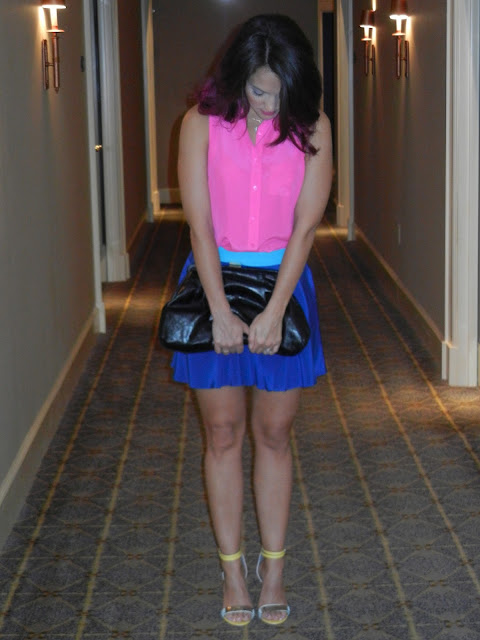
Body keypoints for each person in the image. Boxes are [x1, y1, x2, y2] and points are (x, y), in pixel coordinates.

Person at [172, 13, 332, 626]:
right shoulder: (200, 124)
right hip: (213, 280)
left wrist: (275, 310)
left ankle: (276, 568)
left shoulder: (313, 127)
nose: (270, 106)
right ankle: (233, 571)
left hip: (284, 284)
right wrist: (218, 309)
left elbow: (306, 228)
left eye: (281, 93)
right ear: (238, 76)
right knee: (222, 433)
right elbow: (199, 225)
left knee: (274, 433)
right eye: (260, 91)